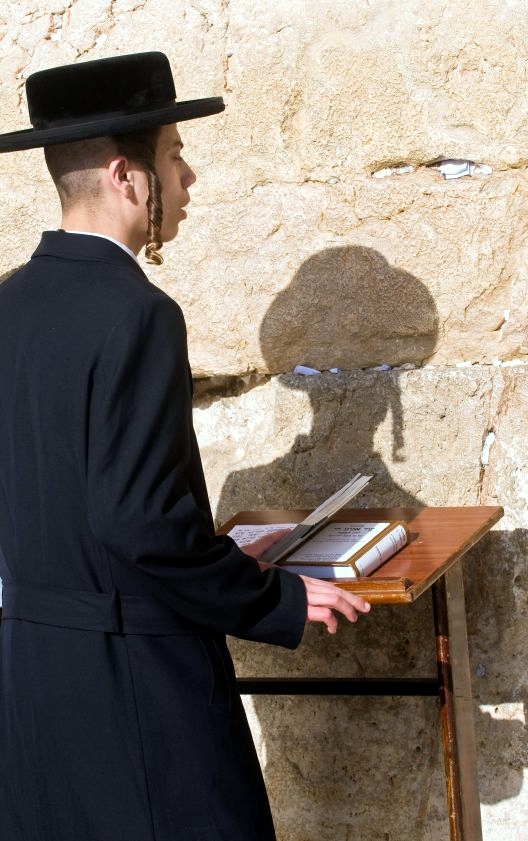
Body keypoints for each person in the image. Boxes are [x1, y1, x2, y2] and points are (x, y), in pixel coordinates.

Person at [0, 52, 370, 841]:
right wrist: (278, 597)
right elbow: (137, 526)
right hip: (135, 688)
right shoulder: (137, 313)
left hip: (31, 688)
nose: (189, 177)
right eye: (174, 156)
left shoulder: (10, 304)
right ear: (125, 176)